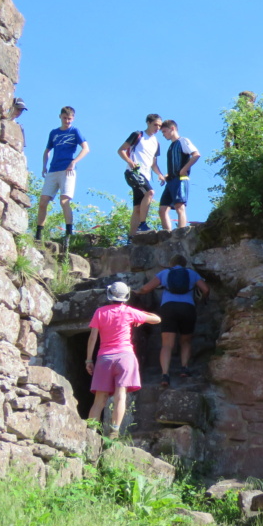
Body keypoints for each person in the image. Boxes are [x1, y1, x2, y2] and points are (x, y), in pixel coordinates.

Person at [85, 281, 161, 438]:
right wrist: (142, 317)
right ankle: (114, 431)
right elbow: (157, 320)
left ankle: (90, 433)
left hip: (104, 358)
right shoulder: (129, 312)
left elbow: (93, 338)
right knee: (121, 396)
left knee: (99, 399)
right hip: (125, 357)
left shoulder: (100, 312)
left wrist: (88, 360)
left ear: (109, 295)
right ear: (126, 296)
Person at [138, 255, 209, 388]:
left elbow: (146, 288)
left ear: (171, 264)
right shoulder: (191, 273)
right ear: (184, 263)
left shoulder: (164, 273)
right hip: (188, 308)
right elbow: (205, 289)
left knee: (167, 344)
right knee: (186, 341)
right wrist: (202, 299)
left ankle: (165, 374)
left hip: (169, 308)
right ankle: (185, 368)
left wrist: (137, 291)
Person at [35, 106, 89, 249]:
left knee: (64, 201)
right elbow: (47, 150)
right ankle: (38, 233)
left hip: (67, 170)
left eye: (69, 119)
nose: (67, 121)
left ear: (73, 118)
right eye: (65, 118)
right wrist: (44, 166)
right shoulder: (54, 133)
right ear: (60, 117)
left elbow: (86, 148)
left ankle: (69, 234)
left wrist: (74, 162)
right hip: (53, 169)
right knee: (43, 201)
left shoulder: (74, 131)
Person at [118, 114, 165, 238]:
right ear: (148, 123)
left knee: (138, 207)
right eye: (155, 125)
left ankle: (131, 237)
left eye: (160, 126)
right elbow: (121, 150)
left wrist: (160, 175)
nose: (158, 128)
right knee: (150, 193)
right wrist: (129, 161)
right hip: (134, 173)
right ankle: (143, 224)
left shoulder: (156, 142)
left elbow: (153, 163)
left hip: (146, 175)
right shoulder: (138, 135)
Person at [159, 119, 200, 231]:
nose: (163, 134)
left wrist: (184, 169)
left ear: (172, 128)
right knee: (162, 209)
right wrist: (167, 175)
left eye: (164, 131)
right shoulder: (171, 146)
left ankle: (181, 231)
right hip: (171, 180)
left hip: (180, 179)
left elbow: (196, 154)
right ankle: (167, 234)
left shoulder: (183, 141)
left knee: (179, 206)